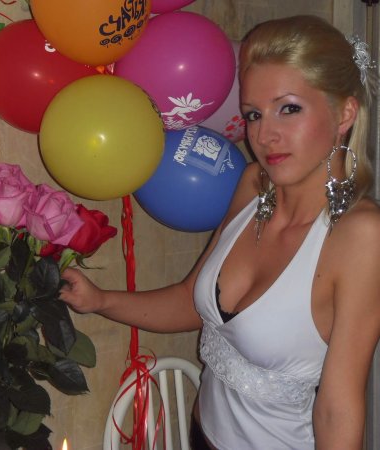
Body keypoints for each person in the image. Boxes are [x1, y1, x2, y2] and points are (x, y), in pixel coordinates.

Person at [59, 15, 380, 450]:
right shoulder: (254, 185)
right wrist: (100, 300)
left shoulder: (360, 236)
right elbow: (192, 301)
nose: (264, 135)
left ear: (345, 113)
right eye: (254, 114)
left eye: (289, 108)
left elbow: (337, 409)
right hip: (201, 435)